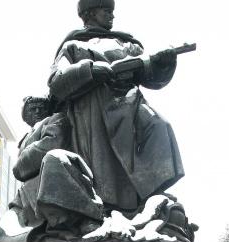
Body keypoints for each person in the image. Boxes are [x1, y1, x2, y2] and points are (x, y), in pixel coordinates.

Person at [49, 0, 183, 217]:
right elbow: (57, 81)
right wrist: (90, 71)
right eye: (106, 11)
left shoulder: (127, 44)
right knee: (103, 164)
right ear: (90, 13)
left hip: (130, 104)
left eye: (112, 11)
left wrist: (164, 64)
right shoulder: (73, 45)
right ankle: (107, 207)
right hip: (92, 110)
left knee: (160, 126)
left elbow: (150, 77)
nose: (112, 16)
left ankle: (151, 195)